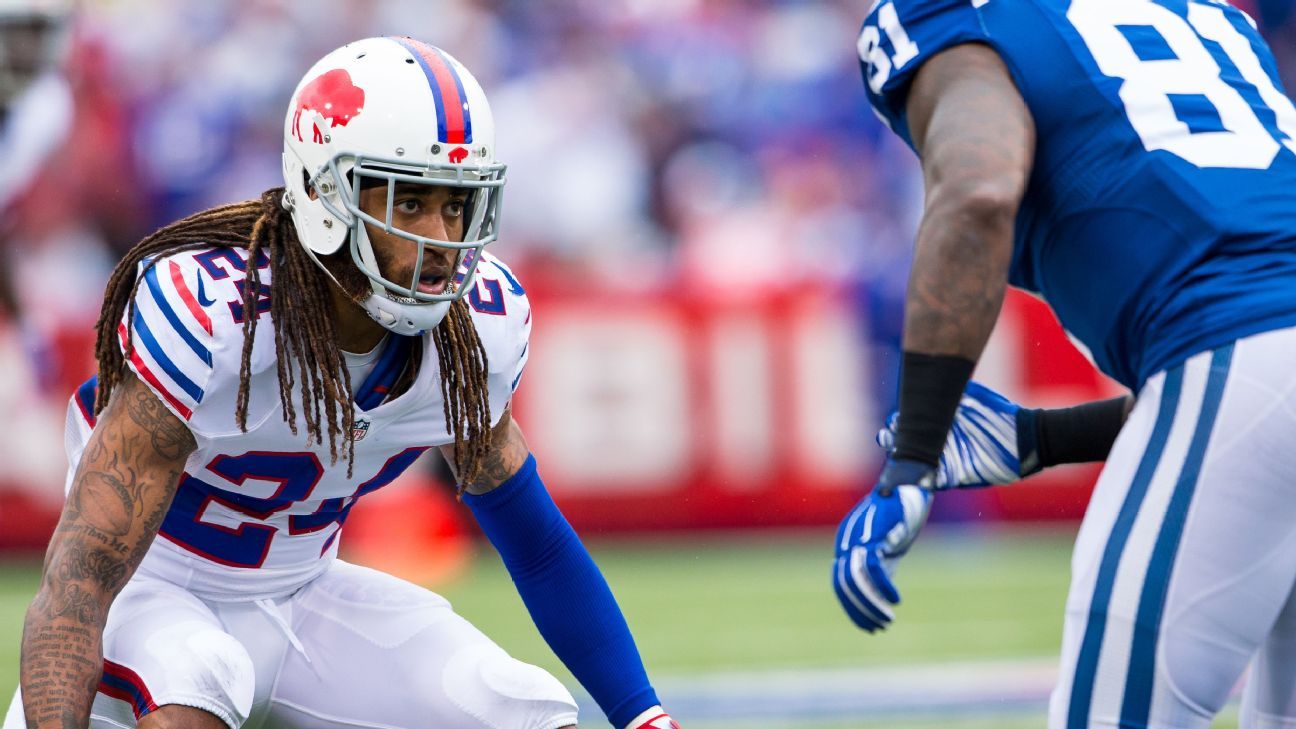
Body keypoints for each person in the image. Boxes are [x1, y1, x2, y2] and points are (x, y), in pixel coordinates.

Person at [9, 36, 679, 729]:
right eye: (409, 202)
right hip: (151, 596)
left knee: (520, 705)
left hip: (305, 595)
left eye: (456, 205)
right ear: (324, 193)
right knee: (199, 675)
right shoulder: (217, 318)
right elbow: (78, 584)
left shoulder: (474, 333)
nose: (441, 237)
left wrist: (644, 716)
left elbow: (538, 546)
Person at [832, 1, 1296, 727]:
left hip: (1234, 351)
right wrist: (1041, 438)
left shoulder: (959, 17)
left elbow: (979, 191)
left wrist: (915, 454)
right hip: (1241, 364)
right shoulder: (1211, 19)